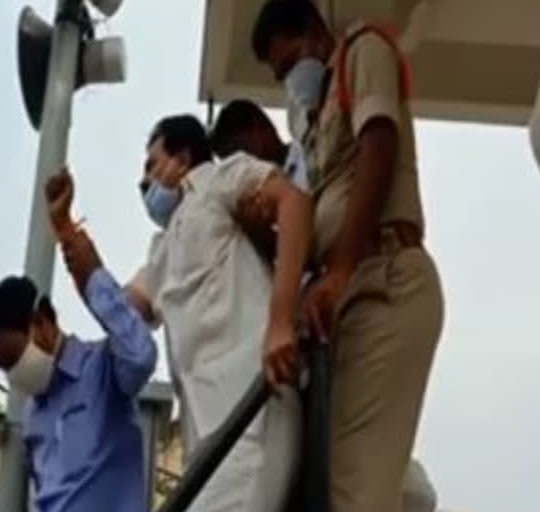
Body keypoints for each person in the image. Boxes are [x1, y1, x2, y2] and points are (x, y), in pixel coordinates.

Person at [250, 3, 445, 512]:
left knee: (353, 493)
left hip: (386, 279)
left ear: (316, 34)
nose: (291, 80)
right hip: (350, 299)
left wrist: (337, 273)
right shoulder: (311, 132)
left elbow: (379, 145)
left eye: (292, 62)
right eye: (280, 76)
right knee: (339, 482)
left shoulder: (364, 50)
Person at [210, 98, 440, 512]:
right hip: (312, 337)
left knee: (359, 482)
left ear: (258, 132)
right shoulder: (269, 190)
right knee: (331, 478)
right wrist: (261, 234)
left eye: (239, 156)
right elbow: (298, 261)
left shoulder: (305, 170)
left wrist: (284, 317)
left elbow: (315, 236)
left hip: (351, 307)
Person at [126, 114, 313, 512]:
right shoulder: (162, 250)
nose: (144, 183)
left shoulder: (221, 179)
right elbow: (125, 308)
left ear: (181, 158)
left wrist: (281, 323)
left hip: (250, 409)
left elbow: (294, 204)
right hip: (206, 442)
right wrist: (71, 242)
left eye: (152, 165)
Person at [0, 168, 157, 512]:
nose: (15, 374)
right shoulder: (33, 416)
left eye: (15, 356)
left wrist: (71, 241)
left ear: (42, 321)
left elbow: (141, 356)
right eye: (6, 367)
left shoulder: (102, 371)